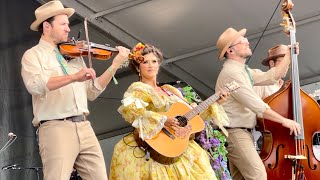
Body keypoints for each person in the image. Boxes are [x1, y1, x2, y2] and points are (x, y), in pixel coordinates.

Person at [21, 1, 130, 180]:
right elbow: (35, 86)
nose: (68, 29)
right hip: (55, 127)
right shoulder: (33, 55)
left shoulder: (74, 55)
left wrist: (114, 66)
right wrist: (73, 77)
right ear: (47, 26)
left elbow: (92, 92)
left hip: (84, 125)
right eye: (63, 24)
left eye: (68, 24)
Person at [109, 43, 230, 180]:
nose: (151, 65)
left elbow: (191, 116)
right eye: (145, 62)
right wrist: (164, 120)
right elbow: (132, 111)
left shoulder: (169, 90)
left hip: (179, 145)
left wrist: (215, 102)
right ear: (138, 67)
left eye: (154, 61)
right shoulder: (138, 88)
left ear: (159, 65)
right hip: (152, 145)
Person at [214, 27, 301, 180]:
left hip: (239, 131)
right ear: (230, 51)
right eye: (241, 41)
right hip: (234, 132)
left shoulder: (243, 70)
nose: (247, 42)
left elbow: (271, 76)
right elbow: (256, 105)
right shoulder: (232, 73)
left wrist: (288, 55)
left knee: (241, 178)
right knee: (258, 175)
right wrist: (284, 120)